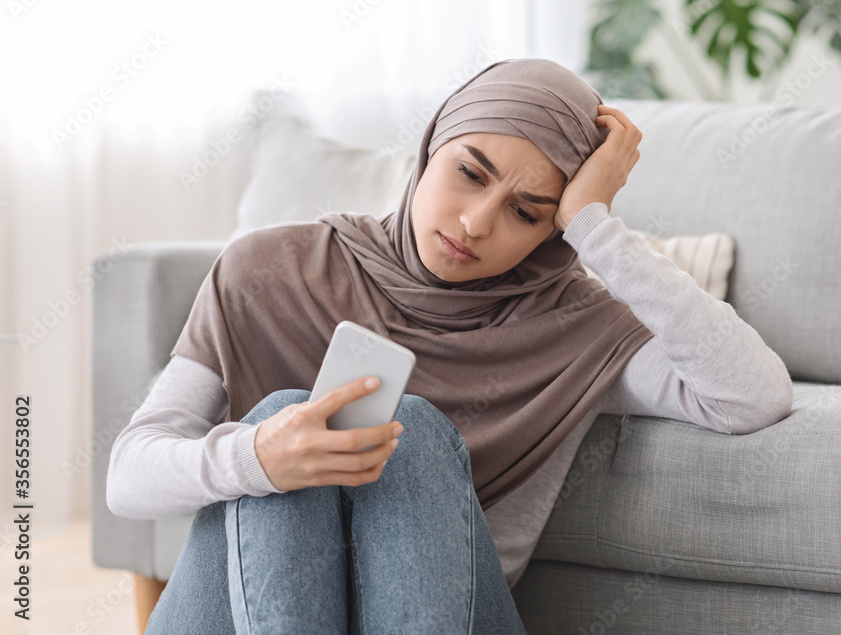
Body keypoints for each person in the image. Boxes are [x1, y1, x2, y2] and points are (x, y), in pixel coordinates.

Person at [106, 58, 794, 634]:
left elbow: (751, 395)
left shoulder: (574, 324)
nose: (475, 222)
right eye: (470, 172)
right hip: (249, 602)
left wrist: (594, 224)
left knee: (409, 427)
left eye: (526, 212)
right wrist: (259, 456)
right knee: (280, 418)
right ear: (431, 144)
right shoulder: (266, 269)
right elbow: (129, 476)